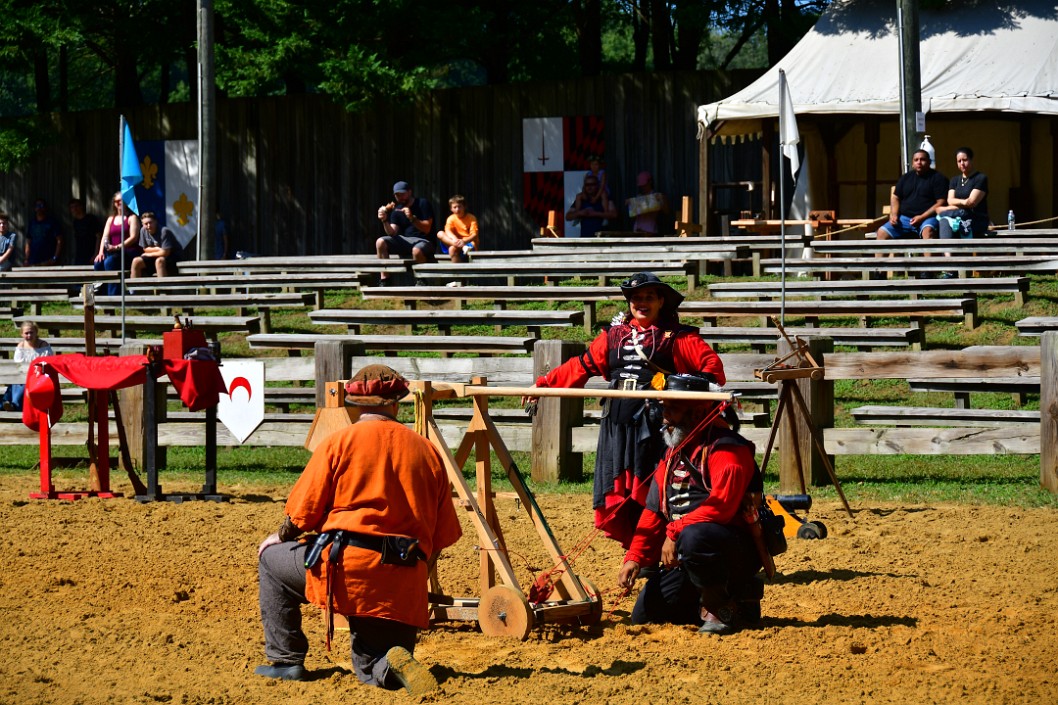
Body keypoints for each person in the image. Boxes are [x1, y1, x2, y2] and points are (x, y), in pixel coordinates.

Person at [255, 364, 462, 696]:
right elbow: (442, 537)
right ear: (396, 402)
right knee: (374, 665)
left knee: (272, 564)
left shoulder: (339, 442)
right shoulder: (428, 452)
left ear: (354, 404)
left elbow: (302, 514)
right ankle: (390, 664)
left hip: (347, 567)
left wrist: (278, 538)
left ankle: (285, 661)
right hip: (404, 574)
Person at [528, 272, 726, 548]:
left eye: (648, 297)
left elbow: (712, 371)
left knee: (654, 487)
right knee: (620, 487)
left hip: (657, 423)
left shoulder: (678, 337)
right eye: (636, 298)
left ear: (661, 302)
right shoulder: (613, 336)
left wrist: (685, 391)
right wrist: (544, 385)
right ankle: (636, 548)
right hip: (616, 422)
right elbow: (580, 367)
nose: (641, 303)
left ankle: (656, 548)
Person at [616, 372, 764, 635]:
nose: (664, 417)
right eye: (664, 408)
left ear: (697, 414)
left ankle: (725, 606)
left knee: (696, 535)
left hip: (731, 552)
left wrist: (675, 531)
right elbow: (654, 512)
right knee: (645, 614)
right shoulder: (673, 453)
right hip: (690, 556)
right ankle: (720, 604)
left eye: (673, 409)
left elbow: (721, 508)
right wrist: (635, 557)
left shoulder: (729, 450)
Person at [876, 150, 948, 242]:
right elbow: (895, 197)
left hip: (928, 218)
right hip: (904, 219)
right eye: (916, 160)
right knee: (882, 232)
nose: (919, 162)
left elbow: (941, 202)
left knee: (928, 231)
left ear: (929, 162)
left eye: (922, 159)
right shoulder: (905, 178)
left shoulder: (938, 178)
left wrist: (922, 217)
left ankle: (930, 257)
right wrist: (894, 215)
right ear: (912, 163)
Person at [375, 180, 435, 285]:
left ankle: (421, 280)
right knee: (380, 242)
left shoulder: (422, 203)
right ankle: (385, 280)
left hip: (424, 241)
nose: (400, 197)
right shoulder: (396, 210)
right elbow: (392, 232)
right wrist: (384, 220)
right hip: (406, 241)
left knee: (416, 250)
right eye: (397, 195)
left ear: (409, 192)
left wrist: (412, 218)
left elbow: (427, 229)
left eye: (403, 194)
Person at [93, 192, 141, 296]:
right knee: (98, 263)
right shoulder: (111, 219)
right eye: (116, 201)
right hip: (113, 252)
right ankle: (102, 294)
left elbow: (133, 237)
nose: (119, 203)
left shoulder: (132, 218)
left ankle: (113, 295)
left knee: (110, 262)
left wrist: (117, 247)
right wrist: (101, 252)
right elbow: (105, 236)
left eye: (121, 200)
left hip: (128, 253)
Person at [937, 147, 990, 240]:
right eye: (959, 161)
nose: (962, 163)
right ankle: (948, 254)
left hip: (976, 218)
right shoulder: (954, 180)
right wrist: (964, 203)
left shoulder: (980, 178)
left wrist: (957, 204)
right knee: (944, 221)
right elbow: (950, 200)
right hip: (957, 216)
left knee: (953, 222)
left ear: (971, 160)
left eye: (965, 160)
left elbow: (972, 202)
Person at [2, 321, 54, 412]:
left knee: (21, 384)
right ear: (22, 334)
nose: (29, 335)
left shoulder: (44, 346)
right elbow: (18, 365)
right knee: (16, 383)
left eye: (31, 332)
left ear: (36, 332)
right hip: (22, 376)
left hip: (38, 377)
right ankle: (9, 404)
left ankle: (12, 405)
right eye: (26, 333)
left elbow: (46, 364)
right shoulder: (21, 346)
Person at [565, 172, 616, 238]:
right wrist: (580, 213)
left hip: (602, 239)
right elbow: (568, 216)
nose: (589, 187)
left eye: (592, 184)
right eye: (587, 185)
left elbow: (614, 214)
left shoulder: (604, 197)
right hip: (585, 238)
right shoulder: (581, 198)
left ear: (597, 185)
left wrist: (595, 214)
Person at [130, 212, 180, 279]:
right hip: (156, 257)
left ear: (155, 222)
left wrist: (148, 254)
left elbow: (165, 252)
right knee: (136, 261)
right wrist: (158, 249)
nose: (148, 226)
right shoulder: (143, 231)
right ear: (142, 224)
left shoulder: (164, 231)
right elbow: (145, 249)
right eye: (146, 224)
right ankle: (134, 288)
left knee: (159, 261)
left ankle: (163, 288)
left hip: (172, 258)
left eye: (150, 222)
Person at [436, 194, 480, 262]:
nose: (457, 209)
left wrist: (464, 241)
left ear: (464, 207)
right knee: (440, 233)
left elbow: (474, 235)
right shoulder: (451, 218)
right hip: (455, 242)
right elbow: (448, 231)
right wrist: (455, 240)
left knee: (452, 249)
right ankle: (462, 247)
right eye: (455, 207)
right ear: (451, 209)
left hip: (468, 243)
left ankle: (458, 271)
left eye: (459, 207)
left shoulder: (471, 218)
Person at [24, 198, 64, 266]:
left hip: (48, 261)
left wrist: (55, 257)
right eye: (37, 205)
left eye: (41, 205)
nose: (39, 208)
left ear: (45, 208)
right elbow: (28, 241)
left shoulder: (52, 222)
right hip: (33, 261)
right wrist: (26, 259)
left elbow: (59, 240)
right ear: (34, 208)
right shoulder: (32, 223)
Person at [68, 198, 103, 266]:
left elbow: (99, 236)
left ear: (81, 207)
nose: (74, 209)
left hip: (91, 252)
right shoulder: (75, 222)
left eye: (76, 206)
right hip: (80, 255)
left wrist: (96, 254)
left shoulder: (91, 219)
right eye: (72, 207)